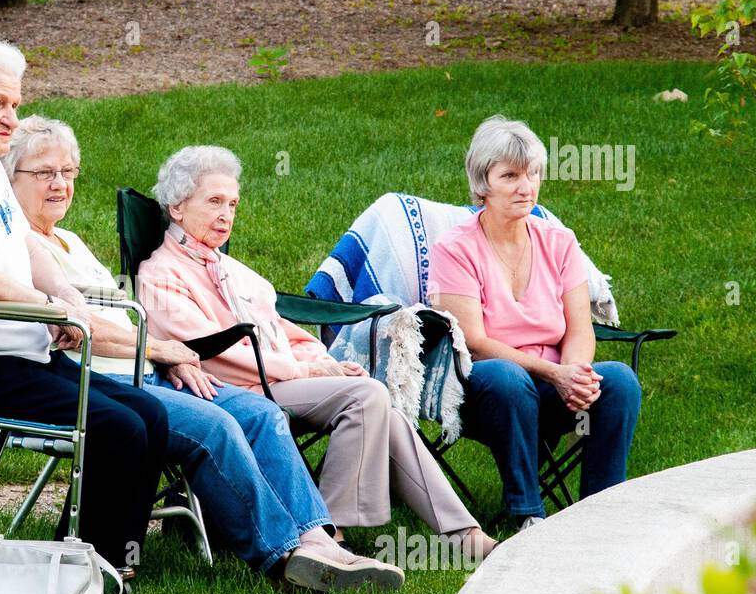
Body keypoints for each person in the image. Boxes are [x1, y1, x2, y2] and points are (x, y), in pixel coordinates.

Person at [4, 115, 404, 592]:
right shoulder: (15, 243)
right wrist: (163, 349)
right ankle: (283, 557)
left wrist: (165, 357)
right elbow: (78, 328)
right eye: (44, 173)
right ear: (9, 178)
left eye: (68, 173)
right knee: (216, 427)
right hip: (95, 382)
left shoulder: (68, 240)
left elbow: (119, 320)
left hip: (147, 369)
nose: (60, 184)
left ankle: (321, 541)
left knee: (258, 412)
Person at [0, 37, 168, 578]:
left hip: (12, 353)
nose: (10, 118)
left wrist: (65, 298)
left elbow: (28, 247)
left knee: (148, 414)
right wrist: (49, 309)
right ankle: (87, 575)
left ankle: (98, 564)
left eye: (15, 105)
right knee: (117, 428)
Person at [138, 145, 497, 560]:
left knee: (377, 401)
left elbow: (279, 327)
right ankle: (331, 530)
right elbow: (213, 350)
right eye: (214, 201)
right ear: (177, 208)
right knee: (366, 397)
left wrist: (321, 360)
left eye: (233, 203)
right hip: (237, 390)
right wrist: (302, 372)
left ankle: (463, 533)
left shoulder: (230, 270)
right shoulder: (159, 275)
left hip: (277, 379)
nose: (227, 214)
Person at [429, 115, 642, 530]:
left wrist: (577, 374)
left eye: (532, 174)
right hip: (484, 392)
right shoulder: (454, 248)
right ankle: (528, 514)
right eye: (509, 175)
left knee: (618, 380)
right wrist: (554, 372)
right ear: (482, 184)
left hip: (552, 385)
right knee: (507, 378)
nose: (525, 186)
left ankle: (601, 513)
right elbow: (473, 341)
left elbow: (580, 327)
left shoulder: (559, 241)